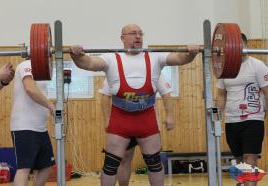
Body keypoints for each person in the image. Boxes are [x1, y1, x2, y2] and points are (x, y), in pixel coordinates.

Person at [70, 23, 199, 186]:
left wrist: (191, 53)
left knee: (154, 163)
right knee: (110, 166)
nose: (138, 36)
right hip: (120, 119)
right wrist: (76, 56)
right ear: (122, 38)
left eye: (140, 33)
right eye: (133, 33)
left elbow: (179, 58)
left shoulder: (154, 57)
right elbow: (87, 63)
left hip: (146, 119)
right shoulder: (110, 58)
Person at [99, 75, 174, 186]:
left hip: (148, 125)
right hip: (123, 125)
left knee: (154, 162)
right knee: (123, 159)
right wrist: (107, 120)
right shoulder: (116, 69)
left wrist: (170, 116)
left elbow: (166, 93)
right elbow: (105, 95)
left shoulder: (154, 69)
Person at [216, 33, 268, 186]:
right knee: (239, 161)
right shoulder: (225, 68)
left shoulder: (257, 66)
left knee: (249, 159)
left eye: (240, 44)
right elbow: (220, 95)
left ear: (245, 45)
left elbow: (267, 91)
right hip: (232, 120)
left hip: (253, 119)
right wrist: (216, 117)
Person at [10, 59, 55, 186]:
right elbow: (30, 88)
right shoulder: (27, 64)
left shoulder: (42, 73)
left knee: (47, 166)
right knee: (24, 168)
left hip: (40, 128)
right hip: (23, 127)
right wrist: (51, 106)